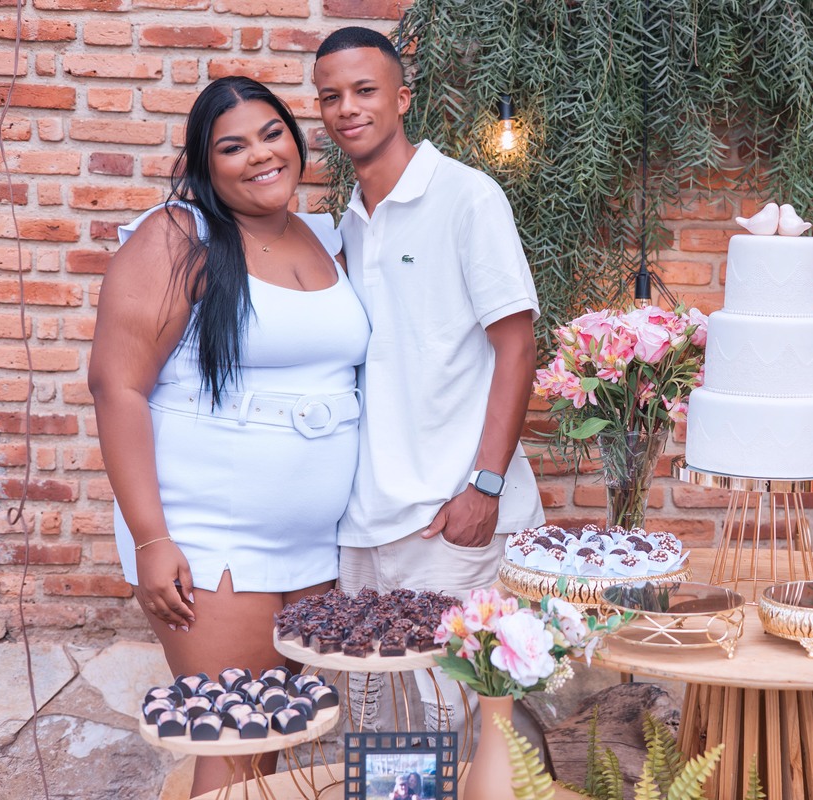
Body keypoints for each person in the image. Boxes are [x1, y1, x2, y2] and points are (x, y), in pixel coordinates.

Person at [89, 76, 369, 797]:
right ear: (204, 165)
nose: (261, 155)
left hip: (313, 548)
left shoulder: (328, 236)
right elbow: (116, 387)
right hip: (211, 541)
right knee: (233, 744)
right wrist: (152, 540)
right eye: (233, 146)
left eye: (273, 134)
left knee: (268, 744)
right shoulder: (178, 236)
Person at [313, 26, 545, 731]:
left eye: (364, 90)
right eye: (330, 96)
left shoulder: (466, 197)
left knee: (462, 722)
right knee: (376, 726)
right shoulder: (349, 222)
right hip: (365, 525)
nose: (347, 108)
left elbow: (517, 346)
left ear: (402, 98)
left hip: (451, 519)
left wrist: (486, 487)